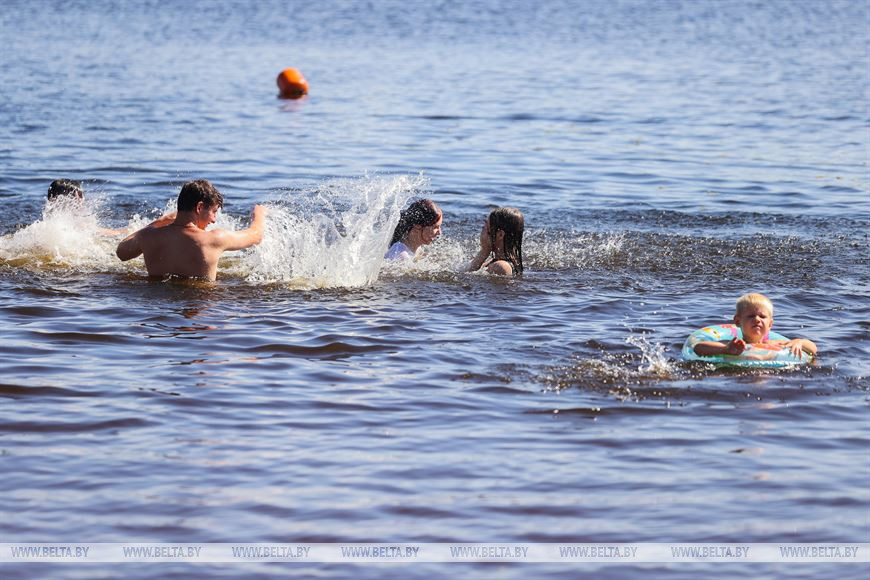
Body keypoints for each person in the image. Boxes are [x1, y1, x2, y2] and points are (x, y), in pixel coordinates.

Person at [116, 179, 267, 281]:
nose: (214, 219)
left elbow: (121, 253)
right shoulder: (214, 239)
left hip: (159, 309)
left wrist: (158, 222)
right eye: (214, 212)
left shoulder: (149, 236)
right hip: (201, 308)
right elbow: (257, 235)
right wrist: (259, 214)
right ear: (199, 207)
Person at [693, 293, 817, 357]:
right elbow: (698, 348)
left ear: (770, 324)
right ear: (737, 322)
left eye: (762, 317)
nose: (757, 320)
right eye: (751, 316)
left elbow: (813, 348)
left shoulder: (774, 344)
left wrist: (799, 342)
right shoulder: (735, 344)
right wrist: (726, 349)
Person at [46, 179, 128, 236]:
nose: (82, 199)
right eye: (80, 195)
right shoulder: (80, 226)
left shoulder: (45, 226)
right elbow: (116, 233)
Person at [468, 207, 524, 276]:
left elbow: (468, 277)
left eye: (485, 228)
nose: (482, 232)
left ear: (500, 235)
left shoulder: (500, 267)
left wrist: (484, 251)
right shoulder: (502, 260)